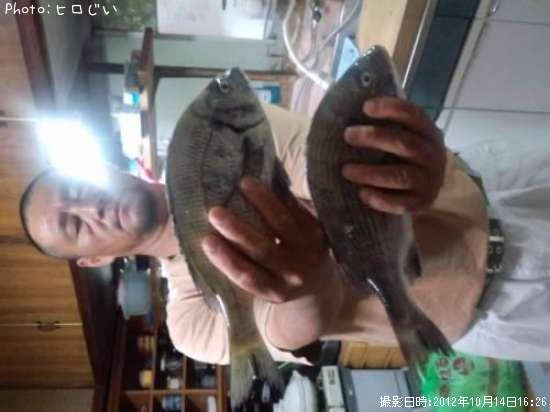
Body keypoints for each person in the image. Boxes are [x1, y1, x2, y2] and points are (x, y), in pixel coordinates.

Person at [19, 97, 544, 364]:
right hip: (499, 310)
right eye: (73, 224)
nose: (89, 207)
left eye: (78, 187)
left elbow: (341, 170)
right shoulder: (190, 321)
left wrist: (400, 163)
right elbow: (288, 332)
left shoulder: (212, 134)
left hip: (493, 182)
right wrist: (306, 286)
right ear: (94, 260)